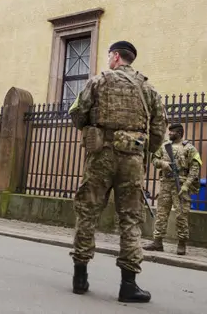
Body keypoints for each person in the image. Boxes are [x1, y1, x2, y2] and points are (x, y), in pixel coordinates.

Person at [68, 40, 167, 303]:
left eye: (109, 56)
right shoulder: (148, 88)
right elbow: (159, 128)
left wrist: (93, 127)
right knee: (130, 219)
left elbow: (78, 113)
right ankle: (129, 285)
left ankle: (80, 277)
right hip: (132, 160)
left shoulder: (98, 81)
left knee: (87, 212)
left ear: (115, 57)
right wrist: (144, 149)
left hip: (101, 155)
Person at [144, 123, 202, 255]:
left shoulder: (189, 148)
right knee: (161, 214)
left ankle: (182, 243)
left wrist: (186, 185)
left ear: (179, 133)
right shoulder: (164, 146)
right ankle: (157, 242)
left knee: (181, 215)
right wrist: (163, 164)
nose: (169, 133)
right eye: (169, 132)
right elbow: (154, 159)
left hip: (180, 185)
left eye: (172, 132)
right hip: (165, 183)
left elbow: (195, 169)